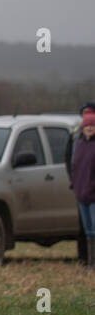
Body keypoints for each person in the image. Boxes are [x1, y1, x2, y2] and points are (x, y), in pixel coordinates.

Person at [65, 101, 95, 264]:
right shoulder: (78, 143)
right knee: (87, 230)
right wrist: (75, 184)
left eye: (92, 124)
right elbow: (72, 165)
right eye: (87, 124)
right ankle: (89, 261)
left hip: (92, 194)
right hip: (81, 193)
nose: (89, 127)